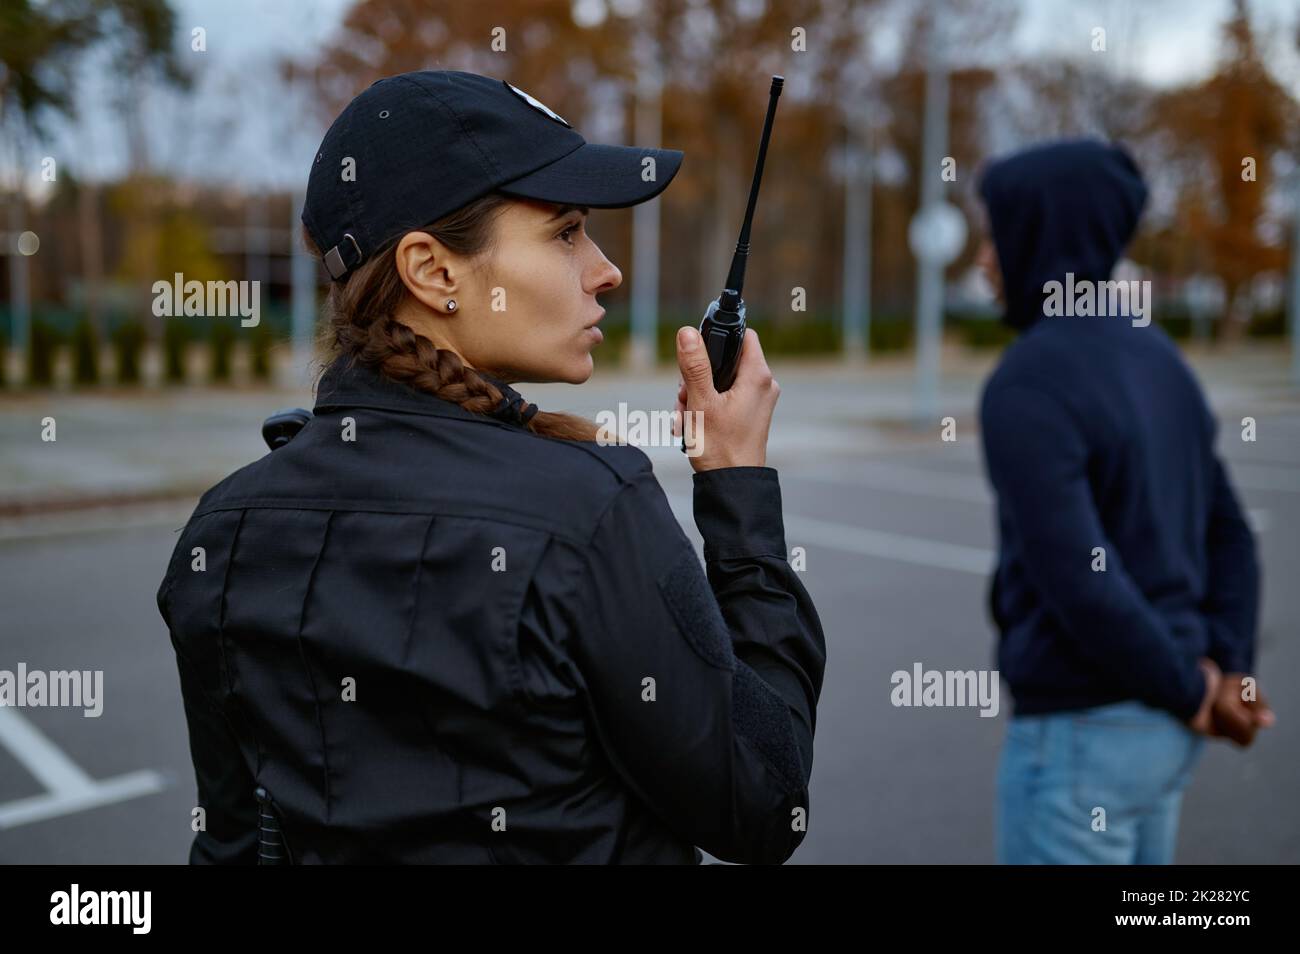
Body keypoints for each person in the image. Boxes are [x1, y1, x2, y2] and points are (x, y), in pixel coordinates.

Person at [155, 70, 826, 864]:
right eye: (566, 232)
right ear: (433, 269)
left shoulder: (222, 533)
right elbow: (762, 803)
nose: (605, 269)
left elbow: (230, 845)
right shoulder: (590, 513)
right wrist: (737, 481)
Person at [974, 139, 1274, 865]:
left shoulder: (1027, 382)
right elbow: (1233, 538)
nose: (982, 258)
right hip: (1161, 737)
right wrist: (1226, 671)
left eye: (994, 231)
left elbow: (1081, 580)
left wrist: (1195, 691)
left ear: (1040, 233)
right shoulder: (1159, 357)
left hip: (1082, 741)